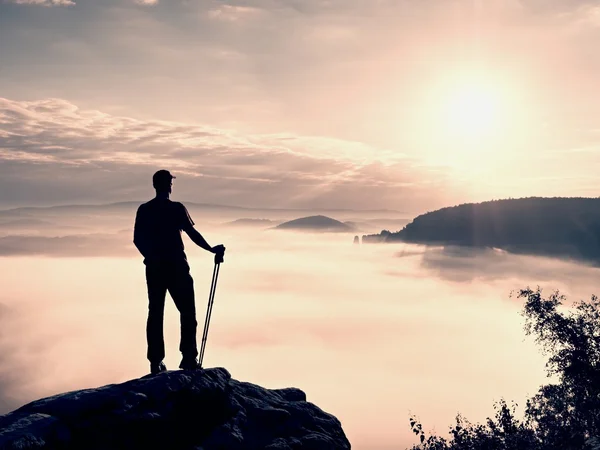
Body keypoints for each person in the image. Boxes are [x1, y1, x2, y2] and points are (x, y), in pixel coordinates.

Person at [133, 170, 225, 374]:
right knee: (187, 311)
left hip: (155, 268)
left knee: (155, 313)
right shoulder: (176, 209)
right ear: (169, 186)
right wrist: (211, 249)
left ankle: (155, 361)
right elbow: (192, 234)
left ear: (154, 185)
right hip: (177, 266)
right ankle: (189, 358)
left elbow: (137, 239)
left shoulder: (145, 209)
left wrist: (150, 256)